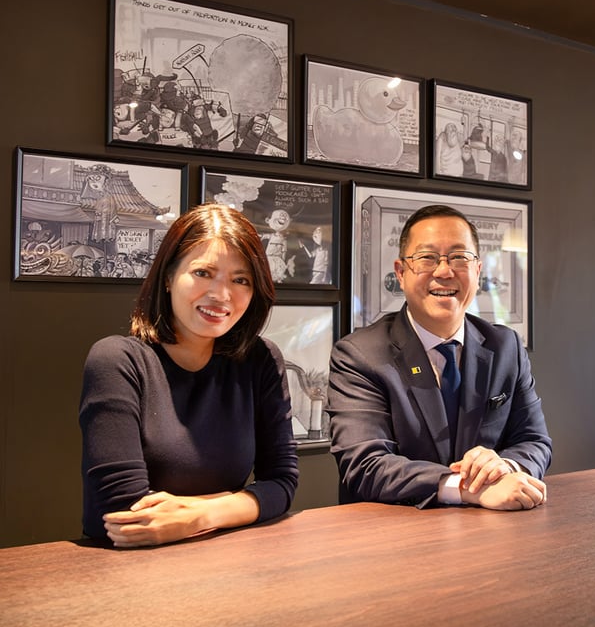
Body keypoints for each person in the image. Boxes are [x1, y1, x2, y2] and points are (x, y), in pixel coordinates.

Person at [79, 203, 298, 547]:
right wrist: (235, 502)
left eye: (241, 280)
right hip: (127, 569)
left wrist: (200, 514)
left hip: (227, 560)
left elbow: (282, 484)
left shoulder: (261, 359)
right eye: (203, 273)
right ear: (168, 277)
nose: (221, 294)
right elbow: (124, 512)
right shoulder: (117, 360)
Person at [327, 205, 551, 510]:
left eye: (459, 257)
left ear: (477, 270)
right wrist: (465, 487)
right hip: (394, 538)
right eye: (427, 258)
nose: (444, 271)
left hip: (493, 534)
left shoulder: (505, 346)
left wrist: (505, 468)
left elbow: (534, 441)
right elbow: (366, 465)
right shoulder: (359, 355)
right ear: (401, 273)